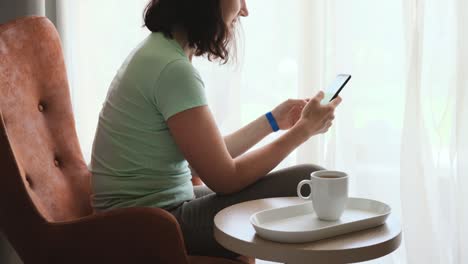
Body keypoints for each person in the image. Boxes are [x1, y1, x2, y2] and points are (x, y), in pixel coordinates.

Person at [90, 0, 342, 260]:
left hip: (146, 215)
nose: (245, 9)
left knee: (310, 180)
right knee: (312, 181)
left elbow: (207, 160)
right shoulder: (172, 69)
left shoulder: (161, 51)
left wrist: (274, 120)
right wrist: (303, 130)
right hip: (148, 226)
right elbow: (225, 178)